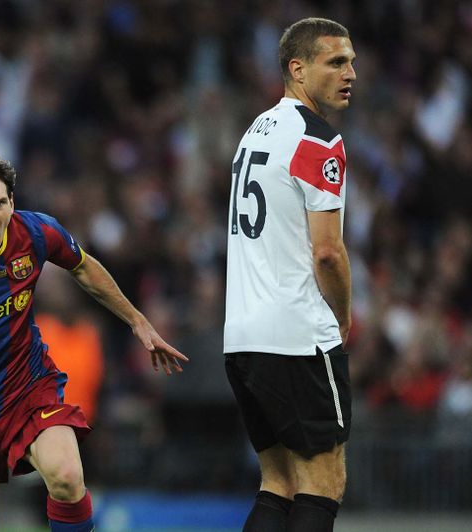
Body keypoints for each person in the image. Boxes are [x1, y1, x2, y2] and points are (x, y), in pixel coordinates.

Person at [0, 148, 188, 532]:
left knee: (67, 476)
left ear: (12, 202)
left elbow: (83, 266)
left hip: (27, 387)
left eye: (0, 203)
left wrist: (136, 320)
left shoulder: (33, 232)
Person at [223, 18, 356, 532]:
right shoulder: (319, 139)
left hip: (243, 338)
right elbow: (327, 252)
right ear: (297, 69)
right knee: (323, 483)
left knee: (277, 483)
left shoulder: (254, 132)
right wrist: (343, 316)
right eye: (336, 61)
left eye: (352, 62)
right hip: (297, 337)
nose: (350, 73)